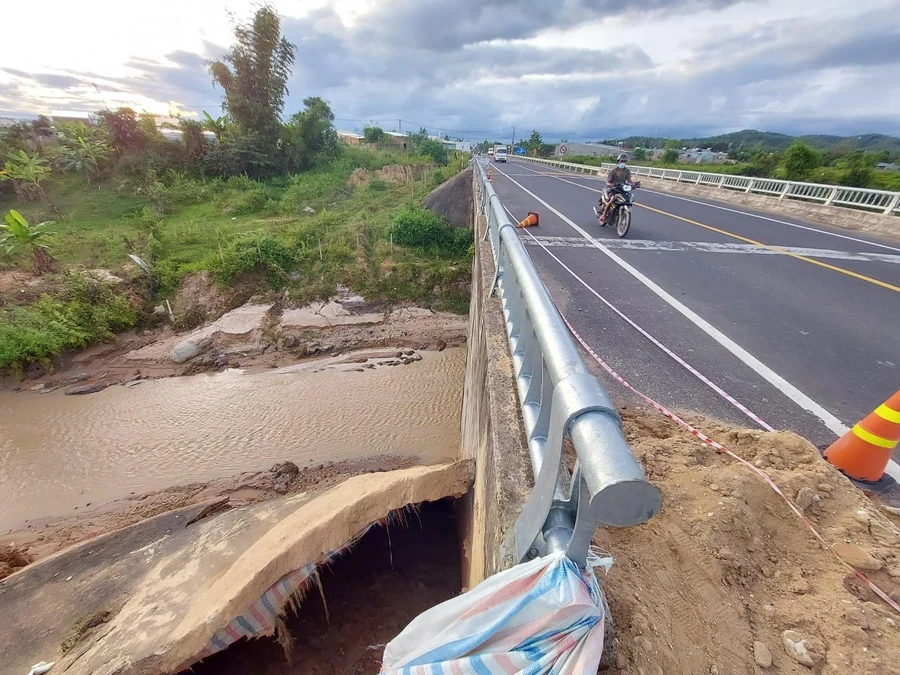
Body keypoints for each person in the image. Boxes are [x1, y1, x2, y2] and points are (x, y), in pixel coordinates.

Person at [599, 153, 634, 224]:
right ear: (618, 161)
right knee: (612, 199)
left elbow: (630, 181)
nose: (623, 163)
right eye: (622, 161)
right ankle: (603, 215)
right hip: (614, 189)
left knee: (630, 197)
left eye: (625, 161)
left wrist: (634, 184)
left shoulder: (627, 171)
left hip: (622, 190)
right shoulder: (613, 171)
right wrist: (611, 184)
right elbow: (608, 182)